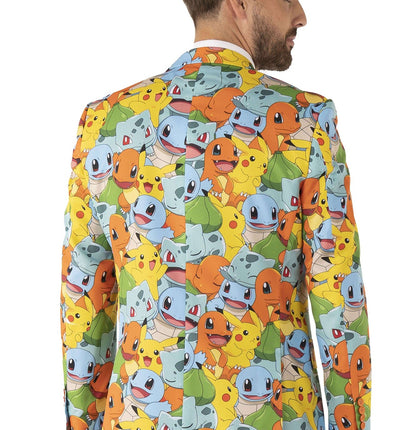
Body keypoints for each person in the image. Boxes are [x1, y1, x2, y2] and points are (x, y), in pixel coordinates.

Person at [60, 0, 371, 429]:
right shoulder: (305, 122)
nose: (300, 13)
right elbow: (339, 300)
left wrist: (83, 423)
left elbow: (84, 298)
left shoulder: (104, 123)